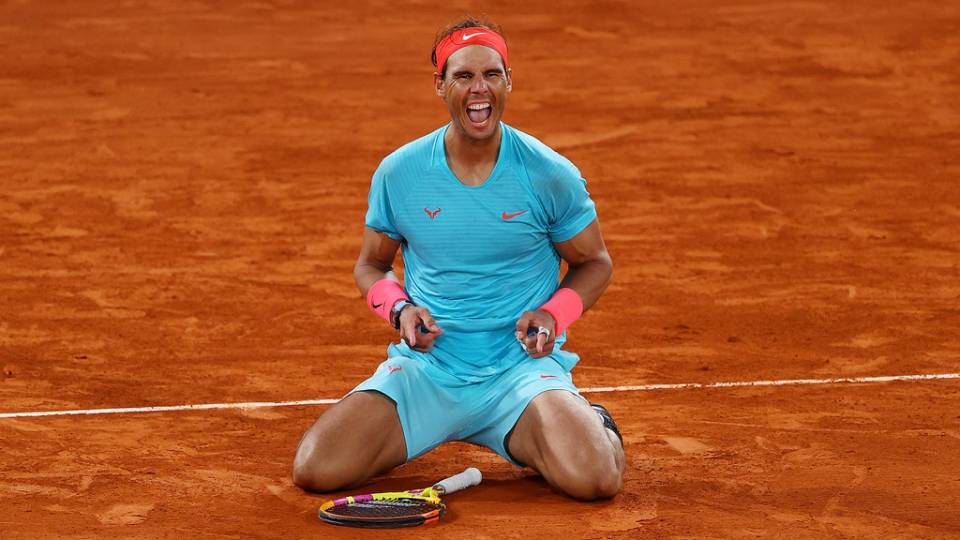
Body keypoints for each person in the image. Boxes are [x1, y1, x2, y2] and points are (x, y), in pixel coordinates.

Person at [293, 17, 624, 501]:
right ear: (440, 84)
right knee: (315, 469)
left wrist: (553, 314)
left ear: (509, 81)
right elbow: (372, 265)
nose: (479, 89)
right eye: (464, 76)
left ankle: (594, 423)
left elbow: (595, 262)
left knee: (596, 479)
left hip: (521, 374)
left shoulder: (550, 174)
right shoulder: (399, 173)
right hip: (429, 372)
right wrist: (401, 311)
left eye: (492, 74)